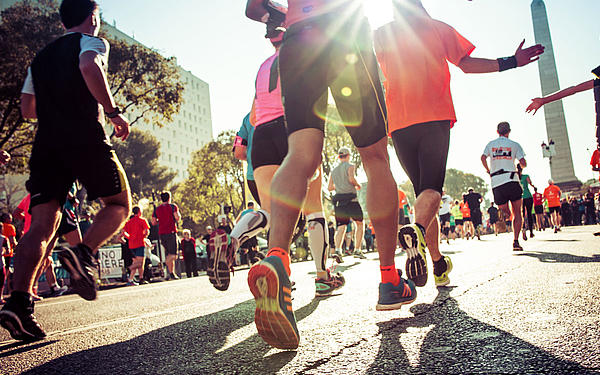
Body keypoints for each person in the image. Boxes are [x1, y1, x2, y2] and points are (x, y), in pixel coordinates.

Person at [245, 0, 415, 350]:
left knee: (301, 154)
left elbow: (254, 7)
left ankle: (277, 257)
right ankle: (389, 280)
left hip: (296, 38)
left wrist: (283, 15)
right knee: (375, 158)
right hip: (343, 32)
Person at [373, 0, 543, 289]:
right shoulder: (437, 28)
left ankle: (438, 263)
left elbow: (369, 78)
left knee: (422, 196)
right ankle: (415, 232)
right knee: (432, 191)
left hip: (399, 125)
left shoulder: (380, 35)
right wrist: (511, 62)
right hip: (433, 117)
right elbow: (467, 65)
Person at [0, 0, 132, 342]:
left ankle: (18, 303)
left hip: (47, 144)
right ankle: (83, 253)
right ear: (92, 18)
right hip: (85, 135)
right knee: (119, 204)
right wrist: (113, 111)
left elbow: (28, 108)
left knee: (42, 225)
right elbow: (89, 66)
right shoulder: (91, 41)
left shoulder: (40, 59)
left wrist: (56, 102)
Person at [214, 24, 343, 299]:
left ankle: (234, 238)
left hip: (262, 137)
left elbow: (252, 117)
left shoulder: (263, 66)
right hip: (293, 128)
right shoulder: (302, 53)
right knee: (313, 209)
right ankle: (322, 277)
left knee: (270, 212)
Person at [481, 122, 527, 251]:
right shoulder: (515, 145)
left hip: (497, 181)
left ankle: (507, 216)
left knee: (505, 210)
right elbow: (523, 163)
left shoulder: (491, 144)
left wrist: (488, 170)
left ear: (497, 131)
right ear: (509, 131)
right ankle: (516, 240)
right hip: (511, 178)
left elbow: (483, 157)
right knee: (518, 212)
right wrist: (520, 166)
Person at [527, 65, 600, 146]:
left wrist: (544, 100)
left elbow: (573, 90)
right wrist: (544, 100)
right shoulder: (597, 82)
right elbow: (573, 89)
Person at [329, 147, 366, 260]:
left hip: (339, 201)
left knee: (341, 227)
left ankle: (338, 250)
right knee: (360, 224)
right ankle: (357, 250)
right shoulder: (350, 166)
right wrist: (358, 185)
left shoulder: (333, 171)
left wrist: (339, 186)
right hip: (351, 199)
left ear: (339, 157)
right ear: (348, 155)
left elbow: (330, 187)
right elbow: (351, 179)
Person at [152, 191, 181, 280]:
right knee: (174, 255)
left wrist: (160, 220)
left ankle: (171, 273)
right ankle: (164, 266)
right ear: (169, 198)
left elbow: (153, 222)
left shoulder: (157, 209)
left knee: (169, 253)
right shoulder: (173, 206)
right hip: (171, 232)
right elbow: (177, 217)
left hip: (162, 233)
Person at [234, 114, 261, 205]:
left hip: (253, 175)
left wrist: (251, 158)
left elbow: (238, 153)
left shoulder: (248, 118)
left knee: (269, 213)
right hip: (283, 171)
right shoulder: (287, 109)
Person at [122, 206, 150, 285]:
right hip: (140, 243)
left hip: (131, 245)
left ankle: (132, 279)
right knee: (141, 263)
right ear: (139, 212)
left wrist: (129, 237)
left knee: (137, 262)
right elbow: (147, 231)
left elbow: (123, 232)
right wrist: (143, 236)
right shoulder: (142, 220)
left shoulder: (129, 222)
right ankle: (129, 269)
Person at [517, 164, 536, 240]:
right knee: (529, 214)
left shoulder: (516, 178)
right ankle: (531, 231)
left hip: (520, 198)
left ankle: (523, 229)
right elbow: (530, 183)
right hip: (528, 196)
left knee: (522, 214)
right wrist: (534, 187)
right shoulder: (526, 176)